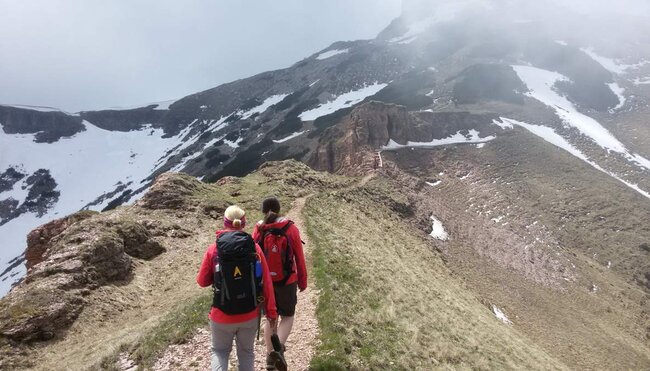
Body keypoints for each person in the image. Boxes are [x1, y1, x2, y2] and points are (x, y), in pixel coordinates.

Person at [197, 205, 278, 371]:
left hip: (221, 314)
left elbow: (202, 282)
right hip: (249, 314)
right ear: (244, 222)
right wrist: (271, 312)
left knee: (219, 352)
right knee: (246, 353)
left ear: (224, 222)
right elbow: (267, 282)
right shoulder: (254, 248)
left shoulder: (214, 249)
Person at [252, 197, 308, 370]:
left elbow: (253, 255)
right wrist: (303, 281)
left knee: (271, 318)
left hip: (265, 283)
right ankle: (278, 349)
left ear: (263, 210)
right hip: (287, 281)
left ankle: (270, 358)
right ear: (279, 209)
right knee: (288, 316)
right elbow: (299, 257)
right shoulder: (290, 228)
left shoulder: (259, 229)